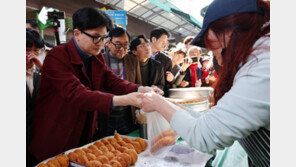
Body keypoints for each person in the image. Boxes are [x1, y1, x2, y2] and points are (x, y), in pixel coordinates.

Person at [141, 0, 270, 166]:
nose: (209, 50)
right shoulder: (258, 57)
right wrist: (167, 103)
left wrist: (159, 104)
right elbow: (210, 122)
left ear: (228, 31)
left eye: (208, 40)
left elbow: (204, 136)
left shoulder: (263, 65)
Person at [28, 7, 161, 163]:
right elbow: (77, 93)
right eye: (96, 37)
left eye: (104, 38)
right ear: (77, 33)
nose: (101, 43)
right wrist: (125, 99)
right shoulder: (57, 56)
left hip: (83, 132)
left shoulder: (96, 57)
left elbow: (111, 80)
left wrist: (139, 88)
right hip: (56, 134)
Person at [96, 27, 141, 138]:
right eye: (117, 44)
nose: (121, 48)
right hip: (105, 114)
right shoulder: (98, 60)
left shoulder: (133, 61)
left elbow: (137, 82)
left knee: (128, 144)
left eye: (125, 44)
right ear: (108, 43)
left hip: (126, 114)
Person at [26, 28, 44, 167]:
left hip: (35, 136)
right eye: (27, 49)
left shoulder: (40, 71)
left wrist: (43, 69)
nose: (31, 54)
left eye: (36, 50)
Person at [150, 28, 172, 96]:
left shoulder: (167, 60)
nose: (164, 44)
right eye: (163, 41)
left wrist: (171, 79)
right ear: (153, 39)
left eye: (165, 42)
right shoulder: (140, 55)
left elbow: (166, 84)